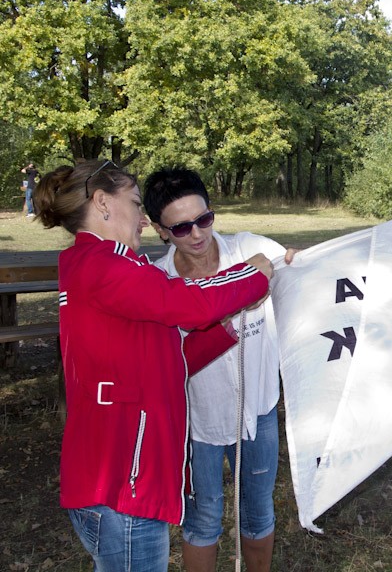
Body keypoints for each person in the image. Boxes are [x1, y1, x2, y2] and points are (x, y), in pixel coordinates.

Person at [33, 159, 273, 572]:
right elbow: (190, 303)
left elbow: (168, 358)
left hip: (120, 482)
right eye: (135, 202)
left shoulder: (100, 265)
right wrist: (253, 277)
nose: (142, 217)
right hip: (123, 487)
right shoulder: (104, 266)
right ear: (103, 202)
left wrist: (226, 327)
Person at [143, 166, 293, 572]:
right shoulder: (158, 281)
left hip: (257, 413)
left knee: (259, 512)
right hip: (198, 424)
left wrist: (293, 263)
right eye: (181, 228)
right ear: (159, 230)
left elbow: (298, 270)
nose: (197, 234)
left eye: (204, 219)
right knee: (203, 521)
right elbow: (164, 362)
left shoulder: (248, 249)